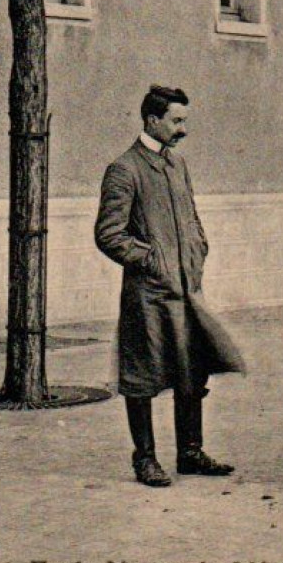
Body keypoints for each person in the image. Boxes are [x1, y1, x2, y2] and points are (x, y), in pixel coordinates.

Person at [95, 86, 246, 487]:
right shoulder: (124, 169)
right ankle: (144, 459)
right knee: (142, 377)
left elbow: (191, 218)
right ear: (152, 121)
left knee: (192, 371)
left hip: (187, 291)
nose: (183, 129)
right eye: (177, 121)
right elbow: (109, 234)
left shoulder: (178, 165)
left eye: (184, 120)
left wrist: (198, 248)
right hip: (148, 294)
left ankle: (190, 453)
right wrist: (151, 260)